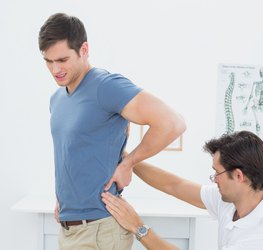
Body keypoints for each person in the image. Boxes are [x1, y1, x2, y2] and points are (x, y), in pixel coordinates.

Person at [38, 13, 186, 250]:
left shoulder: (105, 86)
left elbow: (172, 123)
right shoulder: (57, 99)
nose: (55, 69)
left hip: (101, 229)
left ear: (84, 49)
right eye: (48, 61)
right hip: (69, 228)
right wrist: (66, 201)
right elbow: (73, 152)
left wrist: (128, 163)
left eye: (63, 60)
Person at [102, 131, 263, 250]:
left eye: (217, 173)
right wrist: (128, 160)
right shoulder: (234, 201)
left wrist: (138, 227)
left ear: (239, 176)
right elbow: (174, 185)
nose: (214, 179)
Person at [243, 68, 263, 150]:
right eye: (261, 73)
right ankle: (259, 145)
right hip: (256, 104)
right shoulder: (255, 83)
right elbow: (251, 95)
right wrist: (246, 106)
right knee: (258, 125)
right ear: (260, 74)